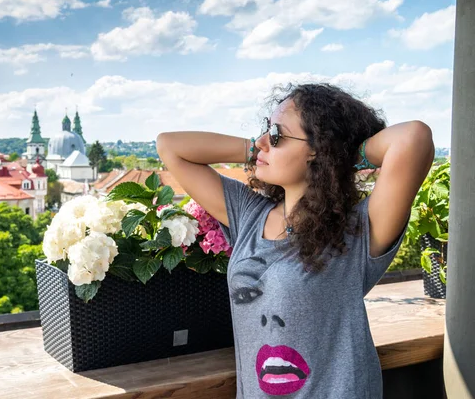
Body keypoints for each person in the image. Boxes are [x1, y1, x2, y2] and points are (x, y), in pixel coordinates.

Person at [156, 83, 434, 399]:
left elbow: (413, 138)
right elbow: (170, 146)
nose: (263, 142)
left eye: (277, 136)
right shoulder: (249, 214)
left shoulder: (356, 230)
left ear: (318, 150)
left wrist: (339, 153)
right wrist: (257, 147)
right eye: (266, 132)